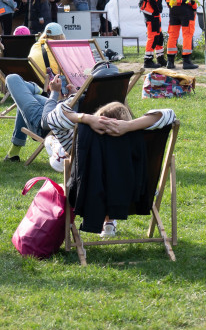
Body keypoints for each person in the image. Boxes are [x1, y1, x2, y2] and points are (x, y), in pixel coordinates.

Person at [49, 94, 176, 238]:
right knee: (115, 177)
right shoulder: (139, 140)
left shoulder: (81, 141)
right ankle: (110, 221)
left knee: (97, 176)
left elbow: (54, 116)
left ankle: (106, 220)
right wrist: (129, 126)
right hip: (133, 195)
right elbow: (170, 114)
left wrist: (87, 118)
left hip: (88, 196)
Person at [166, 0, 199, 70]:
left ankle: (170, 62)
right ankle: (186, 61)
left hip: (173, 8)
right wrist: (194, 7)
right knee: (187, 34)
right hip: (186, 8)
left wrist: (170, 6)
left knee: (173, 35)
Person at [140, 0, 167, 69]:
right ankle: (147, 60)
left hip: (153, 12)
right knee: (153, 36)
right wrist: (156, 10)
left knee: (159, 36)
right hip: (151, 13)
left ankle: (160, 58)